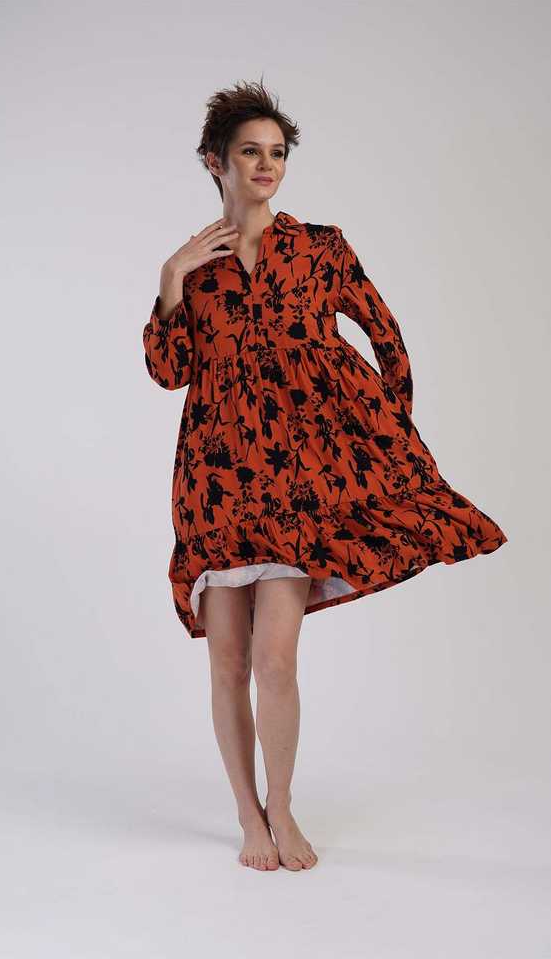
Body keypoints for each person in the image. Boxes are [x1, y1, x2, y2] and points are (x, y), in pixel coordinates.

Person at [142, 80, 507, 872]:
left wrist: (382, 440)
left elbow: (386, 336)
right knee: (227, 662)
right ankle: (247, 815)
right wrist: (170, 281)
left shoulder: (321, 248)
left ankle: (282, 806)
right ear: (215, 162)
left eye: (277, 153)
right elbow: (169, 372)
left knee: (276, 659)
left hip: (298, 484)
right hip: (215, 479)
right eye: (250, 152)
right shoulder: (195, 271)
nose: (266, 166)